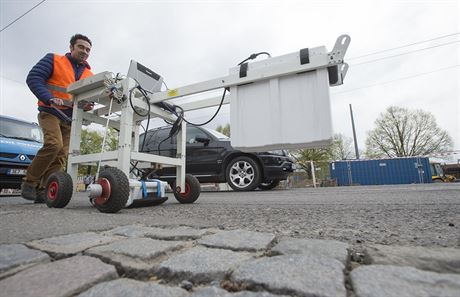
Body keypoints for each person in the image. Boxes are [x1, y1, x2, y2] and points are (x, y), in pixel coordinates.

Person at [21, 34, 94, 203]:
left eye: (88, 49)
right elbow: (33, 78)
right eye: (81, 47)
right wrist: (48, 97)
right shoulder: (53, 59)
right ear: (71, 47)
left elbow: (86, 98)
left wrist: (88, 105)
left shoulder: (89, 73)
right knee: (54, 145)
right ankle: (29, 182)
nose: (85, 51)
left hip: (70, 119)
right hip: (50, 112)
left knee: (61, 154)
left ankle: (43, 189)